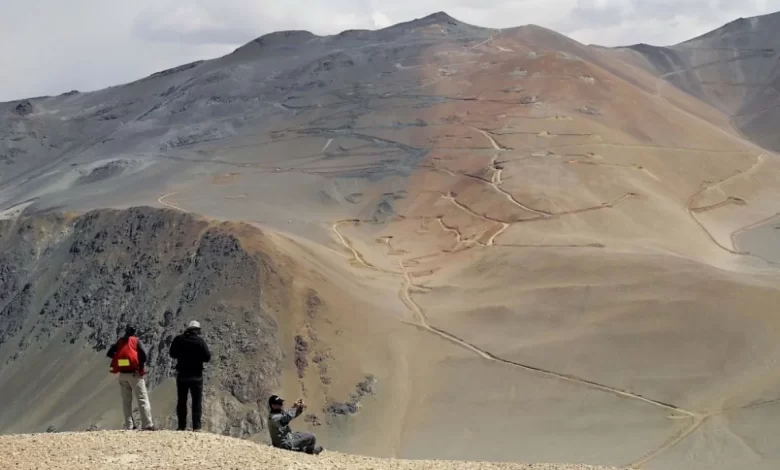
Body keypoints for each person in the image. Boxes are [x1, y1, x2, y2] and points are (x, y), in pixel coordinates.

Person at [107, 325, 154, 431]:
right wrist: (139, 363)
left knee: (126, 401)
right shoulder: (136, 341)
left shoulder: (120, 342)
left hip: (123, 375)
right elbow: (144, 356)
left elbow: (109, 353)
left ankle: (129, 426)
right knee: (142, 399)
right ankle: (147, 425)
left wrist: (118, 360)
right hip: (135, 374)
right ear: (134, 332)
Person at [169, 320, 211, 431]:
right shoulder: (200, 341)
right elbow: (207, 357)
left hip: (182, 375)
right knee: (196, 402)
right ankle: (196, 427)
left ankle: (181, 426)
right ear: (197, 330)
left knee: (182, 401)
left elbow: (172, 353)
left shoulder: (179, 339)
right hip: (196, 376)